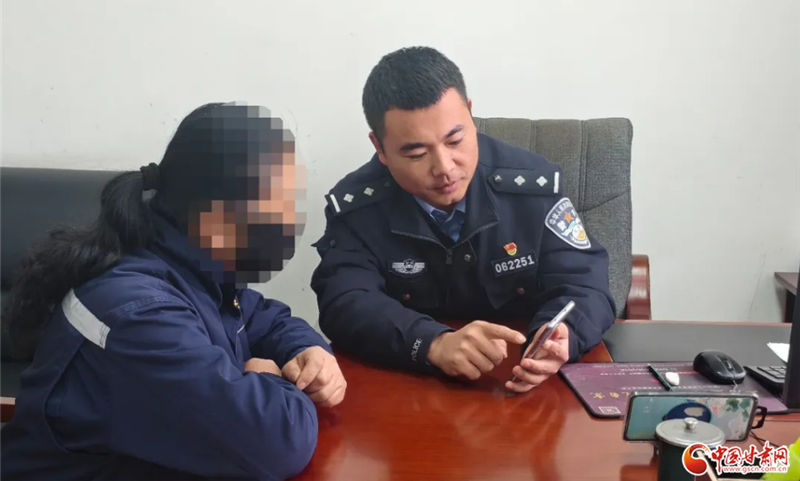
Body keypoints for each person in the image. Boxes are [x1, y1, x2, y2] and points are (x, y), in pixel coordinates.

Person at [0, 102, 346, 481]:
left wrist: (306, 348)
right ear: (217, 218)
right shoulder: (137, 313)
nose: (291, 220)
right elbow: (278, 442)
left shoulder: (193, 265)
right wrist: (268, 378)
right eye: (279, 205)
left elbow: (259, 315)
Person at [310, 46, 616, 394]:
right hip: (409, 386)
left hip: (523, 385)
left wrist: (565, 334)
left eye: (455, 140)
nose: (444, 168)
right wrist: (431, 342)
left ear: (470, 113)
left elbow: (586, 284)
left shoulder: (532, 186)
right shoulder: (358, 207)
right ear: (379, 147)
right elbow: (345, 302)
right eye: (417, 153)